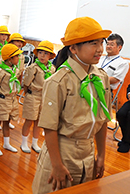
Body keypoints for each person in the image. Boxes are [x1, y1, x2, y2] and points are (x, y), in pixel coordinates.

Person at [32, 17, 112, 193]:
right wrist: (57, 165)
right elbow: (49, 127)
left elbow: (102, 120)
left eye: (101, 43)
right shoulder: (59, 81)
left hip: (88, 153)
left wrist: (101, 155)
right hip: (62, 152)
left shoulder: (101, 77)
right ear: (73, 48)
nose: (100, 49)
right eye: (93, 43)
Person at [21, 40, 56, 154]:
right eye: (40, 52)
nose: (42, 55)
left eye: (46, 53)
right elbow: (26, 83)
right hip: (33, 96)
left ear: (50, 56)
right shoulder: (33, 67)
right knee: (29, 120)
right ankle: (24, 142)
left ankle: (35, 143)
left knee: (39, 121)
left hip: (44, 97)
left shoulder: (52, 69)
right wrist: (29, 94)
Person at [0, 44, 23, 156]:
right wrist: (1, 96)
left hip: (12, 100)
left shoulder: (15, 70)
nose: (18, 59)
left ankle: (6, 143)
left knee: (7, 122)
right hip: (3, 100)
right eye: (16, 57)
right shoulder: (1, 72)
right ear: (10, 59)